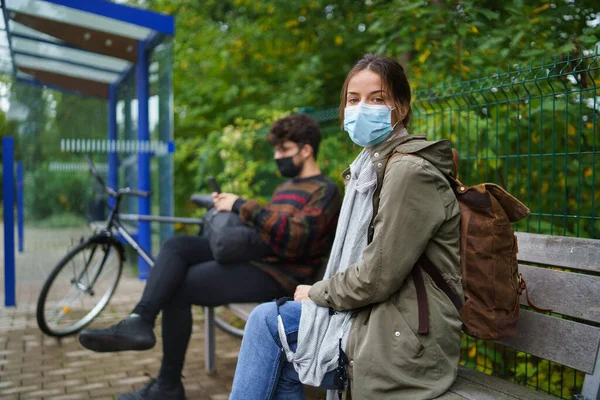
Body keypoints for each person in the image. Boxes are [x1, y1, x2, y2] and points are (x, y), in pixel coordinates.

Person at [229, 54, 463, 400]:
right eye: (353, 100)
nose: (361, 108)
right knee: (275, 331)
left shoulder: (408, 173)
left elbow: (377, 277)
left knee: (267, 322)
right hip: (382, 315)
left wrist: (318, 292)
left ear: (401, 107)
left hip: (408, 335)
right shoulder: (369, 167)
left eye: (377, 98)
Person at [77, 113, 342, 400]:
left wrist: (241, 205)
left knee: (177, 287)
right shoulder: (285, 188)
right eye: (276, 150)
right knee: (178, 246)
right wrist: (233, 212)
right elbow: (270, 228)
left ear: (306, 149)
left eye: (284, 150)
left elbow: (296, 237)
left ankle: (167, 386)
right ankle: (140, 319)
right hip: (260, 256)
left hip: (281, 275)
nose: (277, 157)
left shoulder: (325, 190)